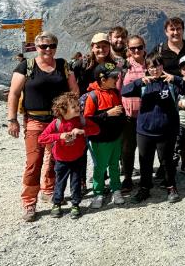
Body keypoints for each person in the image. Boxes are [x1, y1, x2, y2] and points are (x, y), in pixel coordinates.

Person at [6, 31, 79, 222]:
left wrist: (72, 117)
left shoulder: (63, 65)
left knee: (55, 158)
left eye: (51, 46)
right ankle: (29, 202)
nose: (48, 49)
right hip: (35, 121)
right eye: (43, 46)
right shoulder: (26, 66)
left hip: (58, 122)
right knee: (34, 162)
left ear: (56, 47)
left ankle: (48, 189)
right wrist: (12, 120)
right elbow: (13, 93)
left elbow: (74, 91)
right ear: (36, 48)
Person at [121, 52, 185, 203]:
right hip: (145, 130)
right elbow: (124, 92)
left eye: (158, 66)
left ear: (162, 66)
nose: (155, 70)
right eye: (152, 67)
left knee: (166, 161)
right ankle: (144, 188)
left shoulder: (170, 82)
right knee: (145, 161)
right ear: (147, 68)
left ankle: (171, 186)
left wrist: (176, 78)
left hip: (167, 130)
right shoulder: (144, 83)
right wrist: (140, 82)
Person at [149, 17, 185, 177]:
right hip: (166, 94)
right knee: (167, 130)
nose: (175, 32)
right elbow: (151, 66)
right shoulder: (160, 49)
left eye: (178, 28)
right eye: (172, 29)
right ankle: (165, 164)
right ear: (166, 32)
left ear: (183, 30)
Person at [38, 92, 100, 219]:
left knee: (76, 182)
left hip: (78, 158)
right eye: (74, 106)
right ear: (62, 110)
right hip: (61, 160)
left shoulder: (81, 120)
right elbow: (42, 138)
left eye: (78, 105)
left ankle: (75, 204)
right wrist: (59, 136)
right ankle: (57, 203)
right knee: (60, 182)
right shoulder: (57, 123)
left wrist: (83, 131)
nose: (78, 108)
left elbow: (96, 130)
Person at [83, 62, 126, 209]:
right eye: (114, 77)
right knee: (100, 167)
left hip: (115, 137)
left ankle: (116, 189)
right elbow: (87, 119)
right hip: (100, 140)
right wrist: (107, 114)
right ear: (103, 79)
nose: (117, 79)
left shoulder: (114, 92)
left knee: (114, 165)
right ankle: (98, 192)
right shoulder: (93, 96)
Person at [118, 35, 147, 194]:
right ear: (128, 50)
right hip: (128, 115)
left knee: (145, 148)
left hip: (147, 115)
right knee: (127, 149)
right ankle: (128, 178)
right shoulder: (124, 66)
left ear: (144, 47)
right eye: (133, 48)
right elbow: (117, 89)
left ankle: (145, 177)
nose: (136, 50)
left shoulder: (151, 64)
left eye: (139, 47)